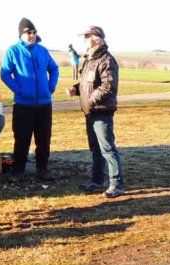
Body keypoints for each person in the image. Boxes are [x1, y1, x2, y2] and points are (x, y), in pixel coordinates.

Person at [67, 26, 125, 199]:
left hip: (101, 112)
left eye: (87, 36)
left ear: (97, 39)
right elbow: (88, 83)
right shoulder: (89, 60)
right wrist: (76, 90)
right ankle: (97, 180)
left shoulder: (107, 60)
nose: (84, 39)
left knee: (107, 148)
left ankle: (117, 184)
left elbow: (108, 87)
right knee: (95, 149)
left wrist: (90, 100)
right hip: (89, 112)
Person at [0, 18, 59, 181]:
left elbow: (54, 69)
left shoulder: (43, 51)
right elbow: (5, 74)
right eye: (28, 33)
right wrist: (19, 89)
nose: (31, 35)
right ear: (21, 34)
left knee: (44, 138)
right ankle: (18, 171)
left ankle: (43, 169)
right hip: (23, 105)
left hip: (44, 104)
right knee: (22, 139)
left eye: (33, 32)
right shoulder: (13, 51)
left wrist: (51, 86)